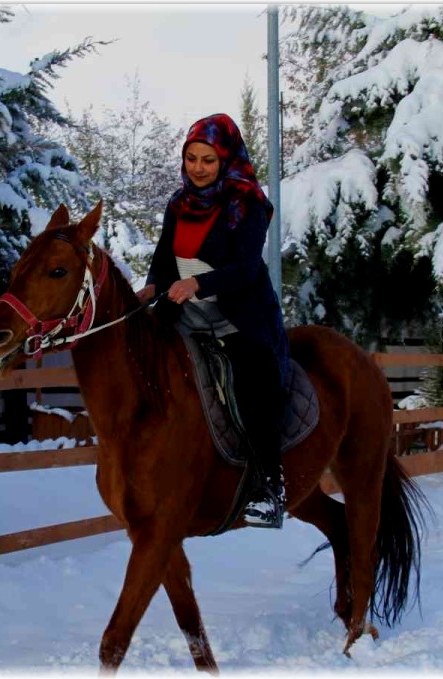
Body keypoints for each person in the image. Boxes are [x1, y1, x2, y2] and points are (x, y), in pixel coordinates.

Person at [135, 113, 290, 529]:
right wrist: (153, 286)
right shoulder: (178, 202)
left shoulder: (246, 203)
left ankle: (268, 487)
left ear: (225, 159)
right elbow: (165, 258)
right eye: (191, 158)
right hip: (184, 309)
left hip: (236, 314)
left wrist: (197, 285)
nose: (198, 168)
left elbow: (244, 268)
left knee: (252, 384)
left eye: (208, 159)